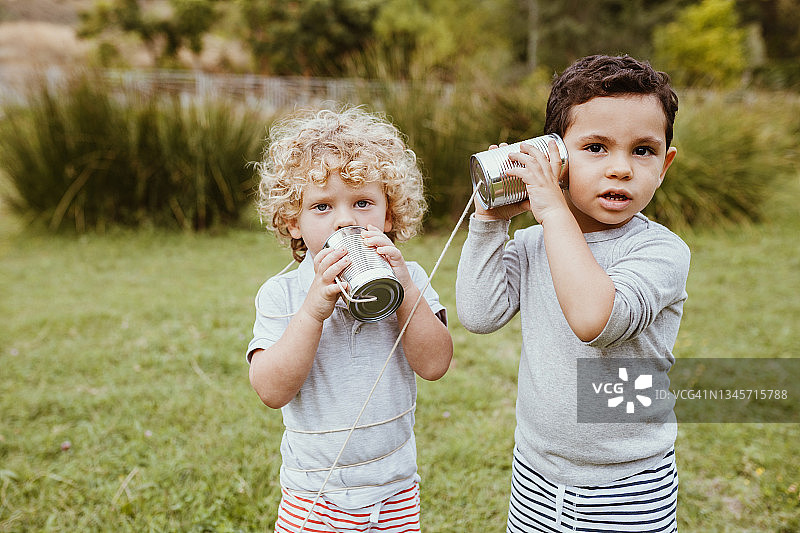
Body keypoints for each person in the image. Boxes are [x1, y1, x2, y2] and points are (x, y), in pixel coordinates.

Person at [456, 54, 689, 532]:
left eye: (643, 151)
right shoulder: (535, 243)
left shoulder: (661, 251)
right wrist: (488, 222)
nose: (620, 169)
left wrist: (551, 210)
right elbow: (479, 314)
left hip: (628, 484)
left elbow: (594, 320)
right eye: (596, 147)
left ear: (664, 164)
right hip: (536, 475)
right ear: (556, 159)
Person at [247, 105, 453, 533]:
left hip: (394, 491)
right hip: (312, 495)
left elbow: (435, 365)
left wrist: (402, 288)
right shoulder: (281, 294)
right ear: (294, 223)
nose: (345, 220)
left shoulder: (410, 278)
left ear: (388, 214)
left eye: (362, 203)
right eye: (322, 206)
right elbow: (270, 390)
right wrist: (312, 311)